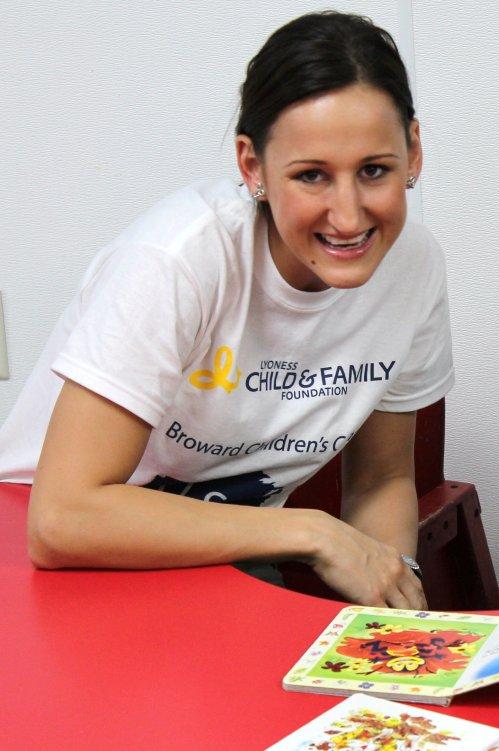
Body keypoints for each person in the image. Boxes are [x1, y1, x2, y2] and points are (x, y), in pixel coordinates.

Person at [0, 11, 451, 610]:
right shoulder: (175, 259)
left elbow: (382, 479)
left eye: (374, 171)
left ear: (413, 151)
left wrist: (393, 616)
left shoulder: (411, 265)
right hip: (48, 552)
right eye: (311, 176)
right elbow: (61, 517)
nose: (348, 217)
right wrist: (311, 533)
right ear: (251, 166)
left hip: (218, 556)